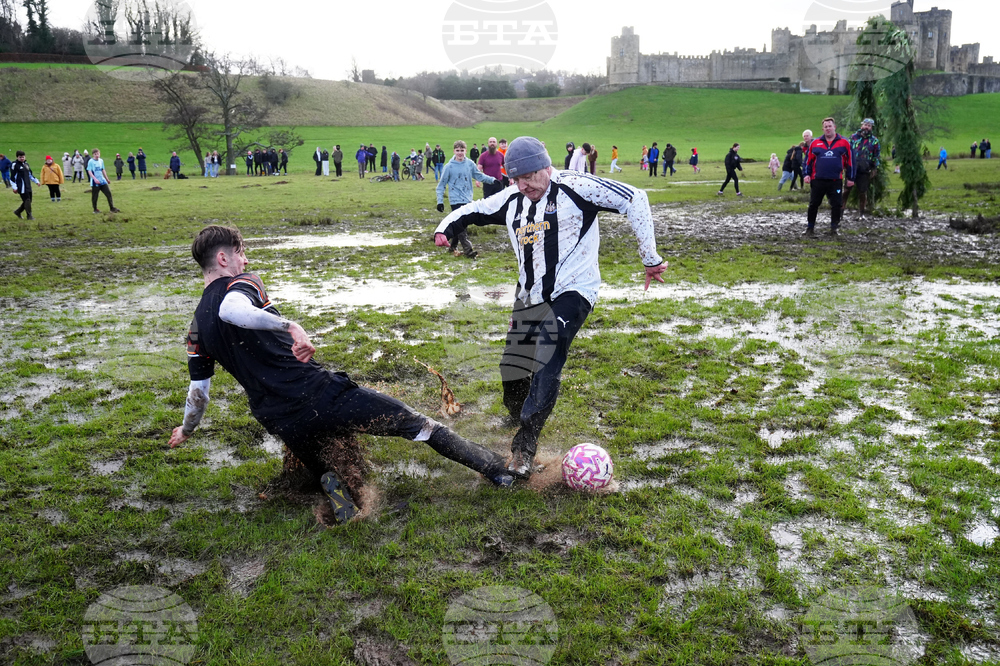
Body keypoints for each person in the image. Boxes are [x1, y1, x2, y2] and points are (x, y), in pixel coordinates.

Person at [169, 227, 516, 524]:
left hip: (279, 419)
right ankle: (499, 470)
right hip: (322, 396)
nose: (245, 260)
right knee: (418, 425)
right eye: (240, 254)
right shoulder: (243, 283)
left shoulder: (196, 328)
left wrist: (186, 429)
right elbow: (232, 310)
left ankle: (347, 510)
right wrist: (290, 325)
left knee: (325, 470)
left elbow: (199, 392)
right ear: (224, 260)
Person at [433, 136, 667, 479]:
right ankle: (516, 414)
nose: (524, 184)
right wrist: (445, 227)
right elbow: (473, 210)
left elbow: (636, 198)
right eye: (517, 178)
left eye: (530, 176)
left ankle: (524, 446)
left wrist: (650, 258)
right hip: (530, 295)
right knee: (513, 369)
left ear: (546, 166)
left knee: (548, 347)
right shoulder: (512, 199)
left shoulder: (576, 187)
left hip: (573, 291)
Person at [436, 140, 497, 259]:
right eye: (457, 151)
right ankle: (468, 250)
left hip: (467, 198)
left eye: (462, 150)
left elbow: (479, 176)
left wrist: (492, 180)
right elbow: (441, 185)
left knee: (461, 224)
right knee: (461, 225)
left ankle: (452, 246)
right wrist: (440, 202)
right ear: (454, 151)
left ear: (465, 151)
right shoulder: (449, 167)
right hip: (455, 199)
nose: (460, 153)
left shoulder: (469, 164)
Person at [803, 117, 853, 237]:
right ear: (823, 129)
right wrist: (806, 174)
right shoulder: (815, 143)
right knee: (813, 204)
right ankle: (810, 228)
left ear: (834, 127)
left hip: (835, 180)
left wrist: (850, 177)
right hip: (817, 180)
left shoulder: (844, 142)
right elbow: (808, 161)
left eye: (830, 126)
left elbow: (851, 161)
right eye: (826, 127)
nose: (828, 128)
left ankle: (834, 228)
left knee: (836, 204)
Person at [846, 118, 880, 219]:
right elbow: (846, 152)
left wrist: (874, 168)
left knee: (863, 192)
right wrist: (845, 166)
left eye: (869, 126)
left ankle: (861, 213)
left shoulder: (874, 141)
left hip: (865, 169)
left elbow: (876, 155)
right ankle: (840, 212)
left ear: (871, 127)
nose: (867, 127)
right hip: (852, 168)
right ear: (862, 126)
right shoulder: (853, 138)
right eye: (865, 125)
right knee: (846, 190)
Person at [88, 148, 120, 213]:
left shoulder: (101, 161)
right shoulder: (91, 161)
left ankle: (112, 208)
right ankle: (95, 209)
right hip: (95, 182)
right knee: (95, 196)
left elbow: (103, 170)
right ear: (93, 155)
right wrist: (94, 179)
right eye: (95, 154)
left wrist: (107, 179)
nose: (97, 155)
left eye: (98, 154)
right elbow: (89, 171)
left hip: (102, 181)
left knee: (108, 193)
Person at [11, 151, 39, 220]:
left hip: (28, 185)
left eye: (23, 157)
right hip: (21, 186)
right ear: (17, 157)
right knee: (27, 200)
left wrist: (36, 181)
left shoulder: (26, 164)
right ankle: (29, 216)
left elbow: (30, 175)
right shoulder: (15, 165)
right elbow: (12, 177)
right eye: (20, 157)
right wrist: (14, 187)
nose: (22, 158)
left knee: (29, 201)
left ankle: (18, 212)